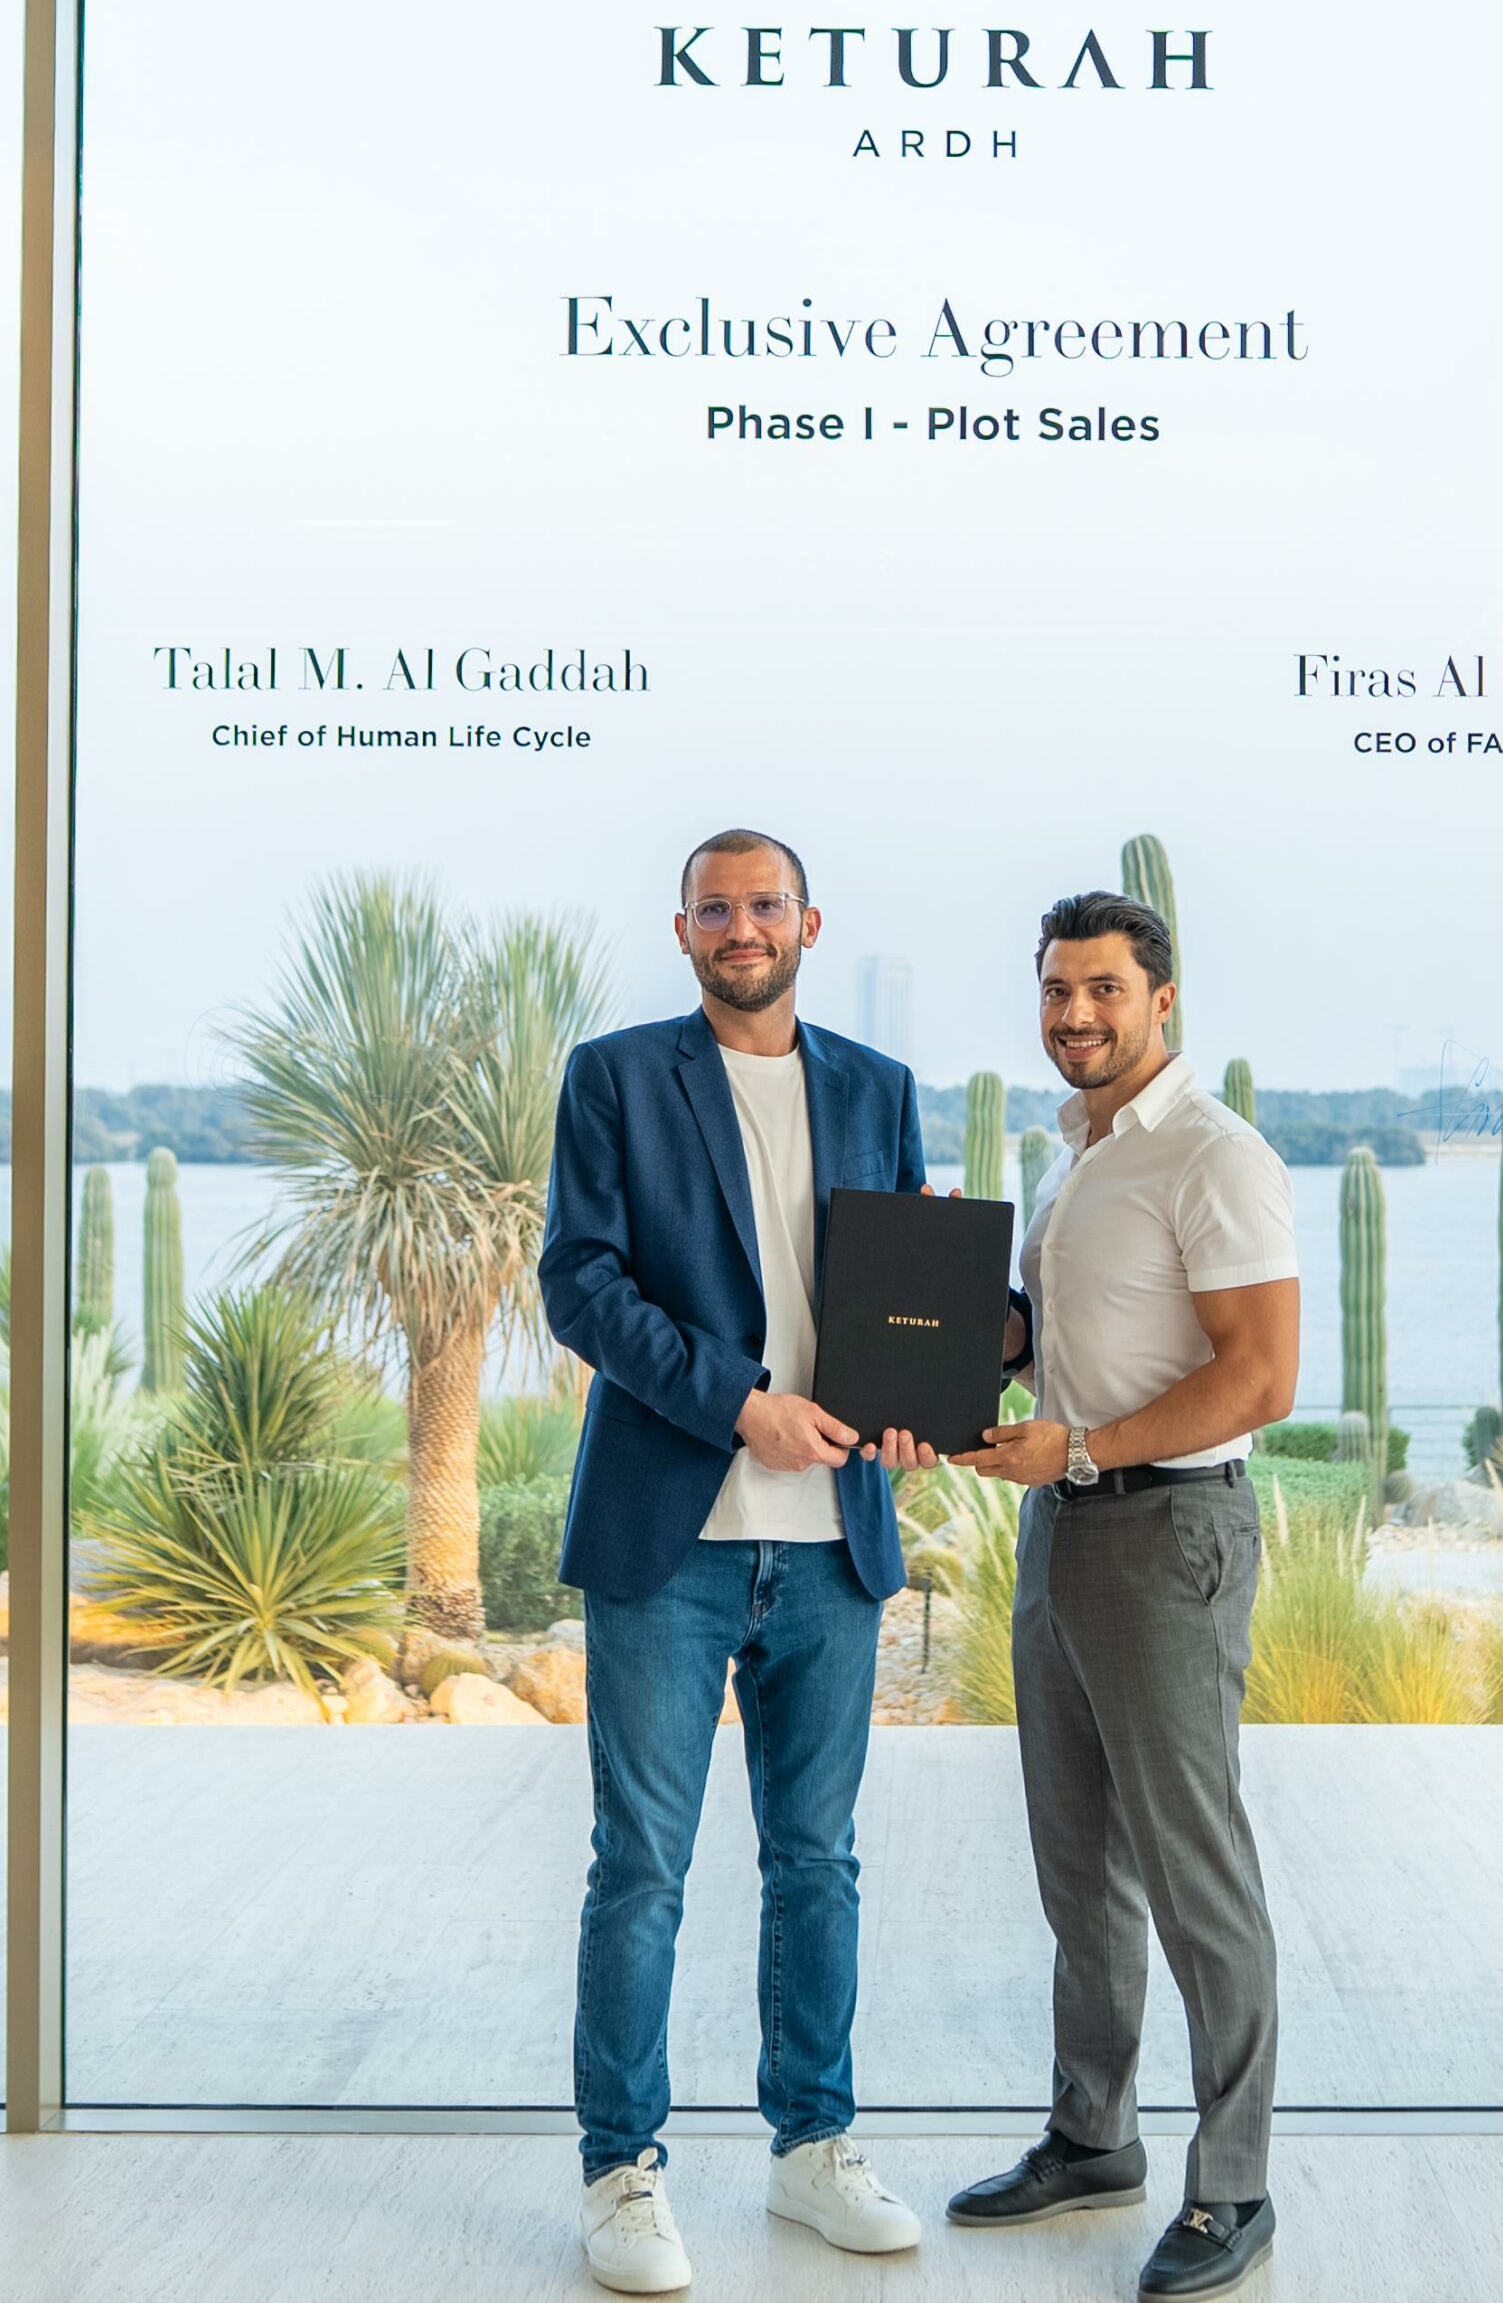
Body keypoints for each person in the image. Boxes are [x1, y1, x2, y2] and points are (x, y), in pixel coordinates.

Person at [539, 828, 931, 2295]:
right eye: (718, 908)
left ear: (809, 924)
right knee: (641, 1867)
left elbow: (906, 1289)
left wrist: (921, 1399)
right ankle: (621, 2172)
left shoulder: (880, 1088)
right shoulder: (618, 1078)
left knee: (816, 1862)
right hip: (672, 1536)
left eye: (767, 905)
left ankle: (812, 2147)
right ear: (685, 929)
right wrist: (740, 1403)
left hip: (833, 1542)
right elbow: (580, 1282)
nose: (743, 926)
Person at [922, 888, 1299, 2303]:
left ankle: (1234, 2184)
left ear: (1162, 999)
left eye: (1104, 990)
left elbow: (1262, 1377)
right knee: (1077, 1864)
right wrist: (947, 1298)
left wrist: (1076, 1447)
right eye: (1057, 990)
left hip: (1169, 1533)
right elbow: (1053, 1347)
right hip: (1064, 1530)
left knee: (1196, 1871)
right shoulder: (1077, 1153)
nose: (1076, 1014)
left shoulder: (1216, 1155)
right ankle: (1093, 2137)